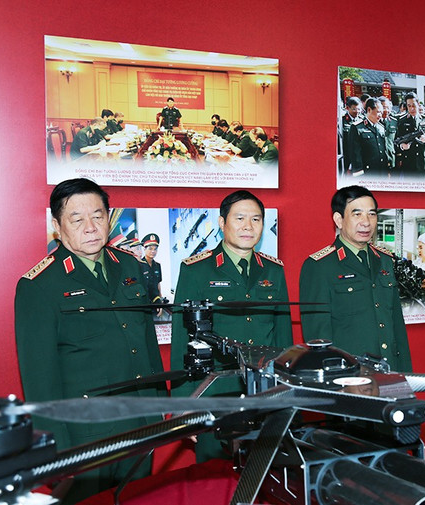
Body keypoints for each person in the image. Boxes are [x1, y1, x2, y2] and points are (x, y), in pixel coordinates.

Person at [14, 178, 165, 503]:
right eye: (77, 219)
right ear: (57, 226)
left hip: (141, 422)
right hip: (85, 434)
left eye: (98, 216)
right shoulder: (39, 285)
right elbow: (39, 379)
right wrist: (57, 449)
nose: (91, 227)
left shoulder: (130, 265)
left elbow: (146, 342)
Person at [171, 190, 292, 460]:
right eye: (239, 218)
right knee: (214, 474)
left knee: (264, 472)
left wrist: (286, 392)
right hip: (215, 394)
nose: (248, 226)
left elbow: (283, 336)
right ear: (221, 222)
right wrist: (185, 403)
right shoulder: (196, 270)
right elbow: (182, 339)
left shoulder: (273, 270)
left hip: (264, 394)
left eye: (256, 219)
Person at [299, 185, 412, 372]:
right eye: (357, 214)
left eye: (372, 214)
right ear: (339, 220)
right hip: (349, 374)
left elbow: (397, 326)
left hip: (389, 369)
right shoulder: (319, 266)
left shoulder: (385, 260)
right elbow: (318, 339)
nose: (366, 222)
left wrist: (404, 374)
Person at [395, 92, 425, 179]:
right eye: (409, 106)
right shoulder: (402, 121)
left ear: (418, 104)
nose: (412, 108)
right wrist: (402, 146)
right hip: (409, 163)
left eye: (414, 105)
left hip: (423, 162)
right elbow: (397, 140)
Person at [348, 97, 388, 177]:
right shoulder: (357, 127)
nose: (380, 115)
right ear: (369, 110)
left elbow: (384, 150)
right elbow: (355, 154)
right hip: (367, 172)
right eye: (378, 112)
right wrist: (358, 174)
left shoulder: (381, 127)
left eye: (381, 112)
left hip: (381, 171)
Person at [341, 96, 362, 173]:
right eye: (354, 109)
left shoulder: (362, 120)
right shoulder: (342, 121)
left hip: (359, 157)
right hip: (346, 157)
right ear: (347, 108)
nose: (357, 111)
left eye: (359, 109)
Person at [378, 96, 398, 175]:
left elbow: (397, 140)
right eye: (383, 107)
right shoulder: (374, 122)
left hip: (391, 159)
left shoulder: (394, 121)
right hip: (378, 161)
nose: (386, 110)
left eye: (387, 107)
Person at [141, 233, 162, 302]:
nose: (153, 251)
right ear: (144, 249)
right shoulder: (139, 265)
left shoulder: (157, 266)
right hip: (144, 300)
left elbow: (158, 284)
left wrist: (160, 298)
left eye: (155, 249)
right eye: (150, 249)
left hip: (156, 300)